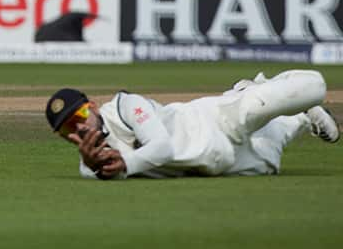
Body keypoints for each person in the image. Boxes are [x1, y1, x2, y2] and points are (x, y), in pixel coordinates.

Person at [45, 70, 338, 180]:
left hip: (215, 122)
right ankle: (300, 116)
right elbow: (93, 172)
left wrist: (124, 164)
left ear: (93, 106)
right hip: (220, 163)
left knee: (313, 87)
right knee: (273, 152)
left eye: (80, 117)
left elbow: (160, 148)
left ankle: (253, 90)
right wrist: (97, 167)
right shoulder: (90, 166)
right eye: (67, 129)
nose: (79, 128)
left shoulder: (125, 105)